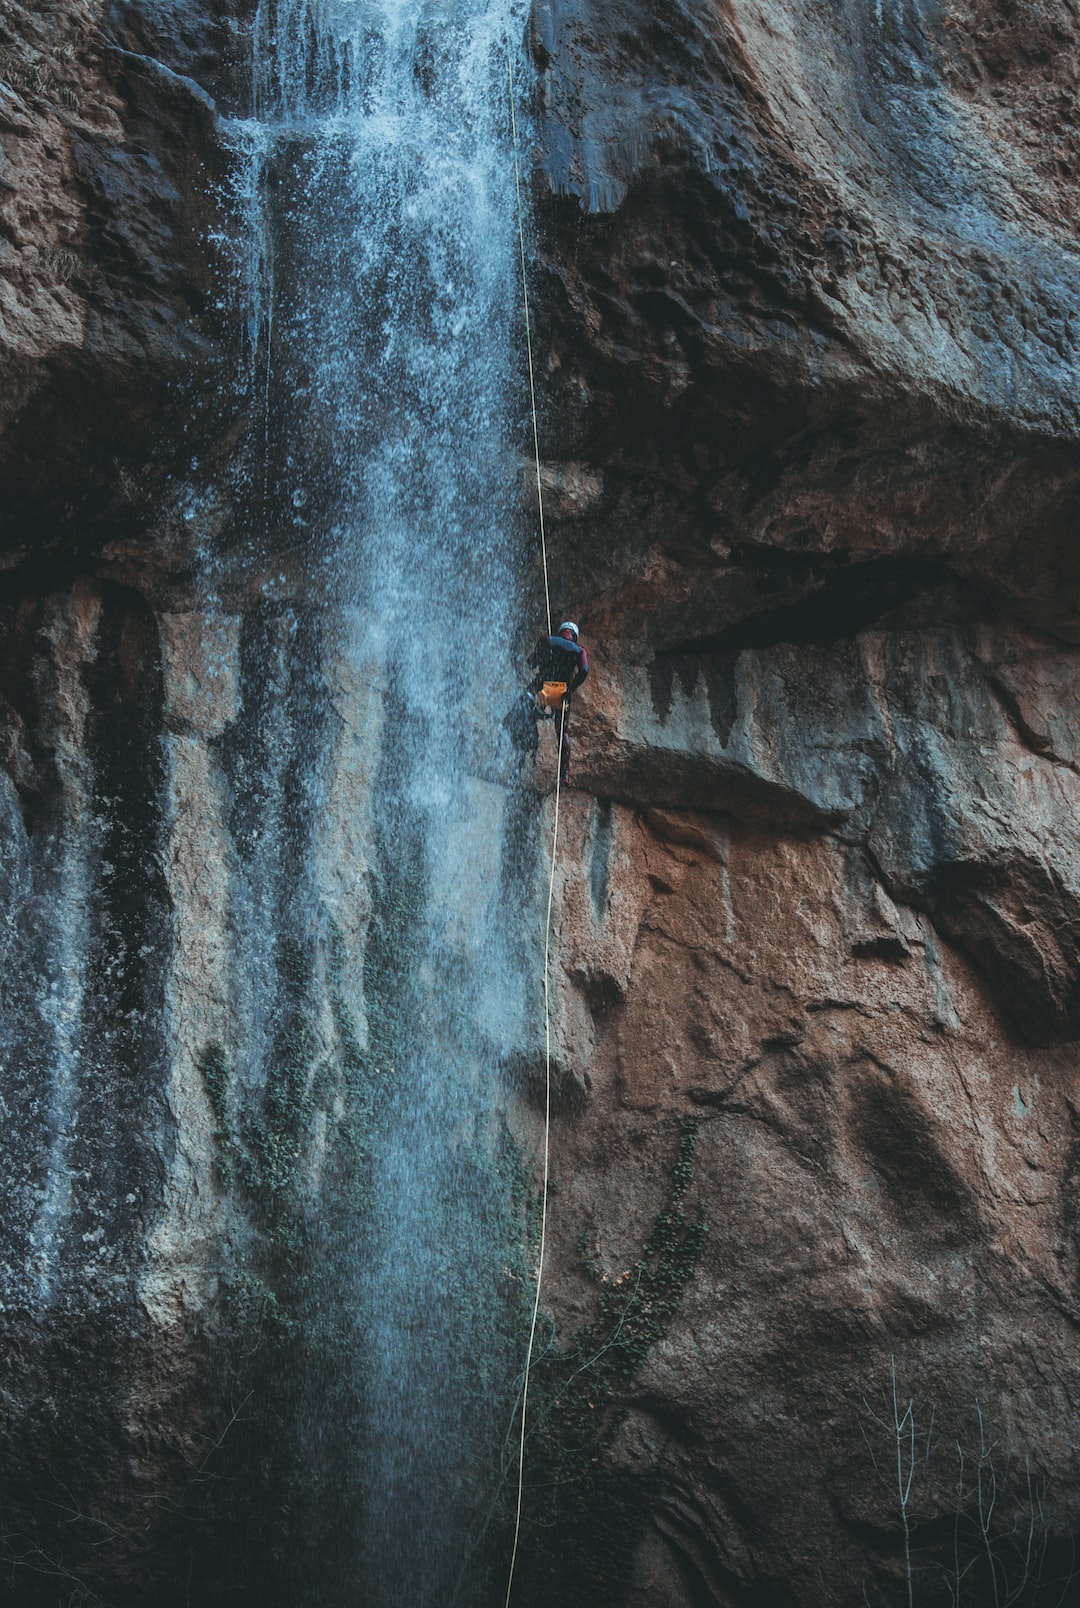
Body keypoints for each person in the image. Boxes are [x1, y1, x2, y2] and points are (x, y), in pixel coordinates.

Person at [523, 620, 589, 785]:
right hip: (561, 691)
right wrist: (571, 688)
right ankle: (565, 773)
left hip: (542, 687)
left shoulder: (548, 639)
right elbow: (584, 670)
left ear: (562, 632)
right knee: (563, 731)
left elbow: (531, 662)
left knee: (525, 705)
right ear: (574, 636)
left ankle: (524, 747)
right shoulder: (579, 650)